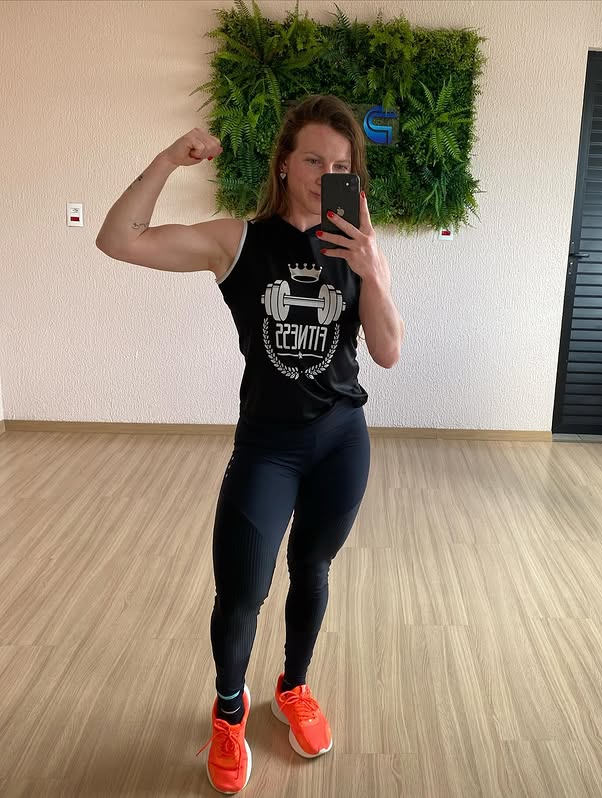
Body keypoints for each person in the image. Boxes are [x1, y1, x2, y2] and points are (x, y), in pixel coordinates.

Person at [96, 94, 404, 794]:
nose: (327, 175)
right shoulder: (238, 242)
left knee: (313, 569)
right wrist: (167, 160)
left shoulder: (356, 249)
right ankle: (230, 711)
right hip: (268, 447)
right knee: (241, 595)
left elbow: (387, 353)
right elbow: (119, 239)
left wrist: (375, 269)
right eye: (314, 161)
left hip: (341, 441)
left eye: (342, 166)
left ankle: (293, 687)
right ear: (284, 163)